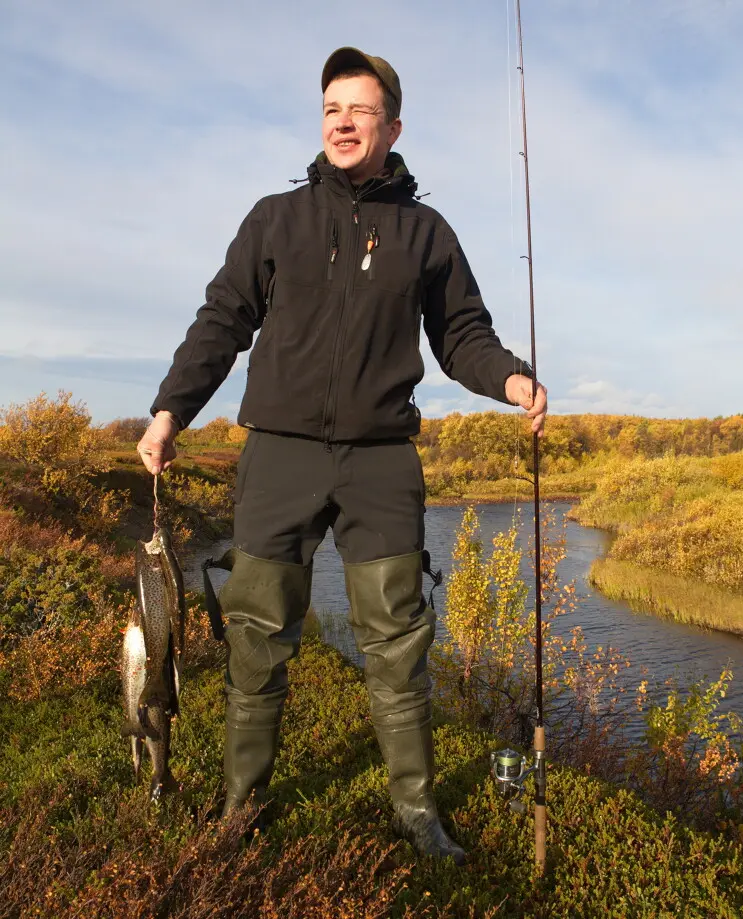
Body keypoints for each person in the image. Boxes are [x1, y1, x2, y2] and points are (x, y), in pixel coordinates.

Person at [137, 47, 547, 866]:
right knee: (256, 638)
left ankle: (418, 813)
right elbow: (222, 319)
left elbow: (460, 332)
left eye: (360, 109)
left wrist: (507, 377)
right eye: (331, 108)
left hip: (381, 463)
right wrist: (170, 411)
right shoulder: (274, 220)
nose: (343, 121)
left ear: (393, 125)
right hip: (280, 455)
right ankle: (240, 807)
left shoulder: (427, 233)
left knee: (398, 642)